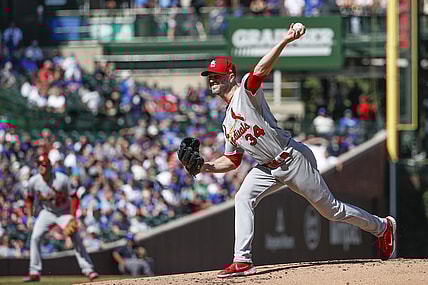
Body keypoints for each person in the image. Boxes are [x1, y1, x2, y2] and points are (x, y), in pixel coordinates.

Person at [178, 23, 396, 278]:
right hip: (267, 169)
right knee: (242, 198)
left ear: (230, 75)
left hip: (291, 159)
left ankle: (382, 227)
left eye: (216, 74)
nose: (212, 79)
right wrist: (204, 167)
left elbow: (260, 70)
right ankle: (242, 260)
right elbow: (232, 160)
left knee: (332, 211)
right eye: (209, 76)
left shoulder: (246, 93)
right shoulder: (227, 123)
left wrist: (285, 40)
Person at [23, 147, 99, 282]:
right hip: (47, 212)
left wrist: (72, 216)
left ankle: (89, 270)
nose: (42, 167)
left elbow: (74, 197)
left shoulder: (61, 179)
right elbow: (29, 198)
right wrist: (29, 216)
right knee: (35, 237)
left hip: (63, 212)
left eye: (44, 164)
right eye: (39, 164)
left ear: (50, 166)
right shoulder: (34, 181)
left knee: (75, 237)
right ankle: (34, 271)